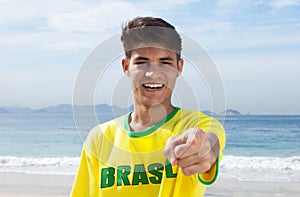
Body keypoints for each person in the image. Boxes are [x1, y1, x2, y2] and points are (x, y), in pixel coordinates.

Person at [71, 16, 226, 197]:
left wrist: (202, 149)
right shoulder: (99, 138)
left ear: (179, 67)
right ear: (126, 66)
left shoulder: (194, 124)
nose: (153, 73)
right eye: (142, 62)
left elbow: (209, 142)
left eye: (165, 62)